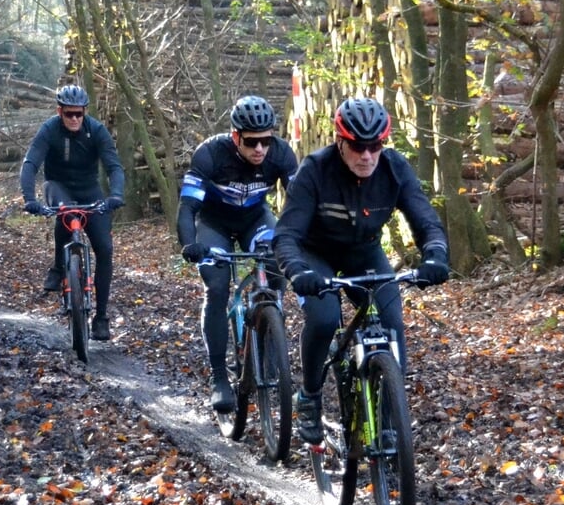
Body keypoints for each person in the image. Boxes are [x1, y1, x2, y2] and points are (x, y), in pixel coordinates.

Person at [275, 96, 450, 451]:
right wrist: (296, 270)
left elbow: (425, 220)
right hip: (315, 253)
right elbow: (286, 234)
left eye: (375, 146)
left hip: (364, 252)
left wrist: (435, 256)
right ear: (340, 142)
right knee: (324, 319)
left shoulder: (394, 168)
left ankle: (387, 415)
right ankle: (309, 396)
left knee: (391, 322)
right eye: (357, 146)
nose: (367, 156)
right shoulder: (315, 169)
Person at [178, 95, 300, 413]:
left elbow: (301, 203)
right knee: (217, 287)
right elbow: (188, 207)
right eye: (251, 142)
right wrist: (190, 244)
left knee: (276, 267)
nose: (260, 149)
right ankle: (219, 377)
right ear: (236, 137)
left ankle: (269, 334)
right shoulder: (209, 154)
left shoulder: (282, 154)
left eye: (266, 141)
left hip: (255, 220)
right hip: (213, 224)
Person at [21, 85, 126, 340]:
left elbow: (114, 167)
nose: (75, 119)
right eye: (69, 114)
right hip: (58, 185)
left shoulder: (96, 130)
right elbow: (31, 163)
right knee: (65, 213)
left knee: (105, 248)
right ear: (60, 112)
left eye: (79, 114)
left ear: (84, 112)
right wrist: (29, 199)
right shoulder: (49, 130)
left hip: (90, 190)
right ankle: (59, 268)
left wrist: (115, 196)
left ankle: (101, 317)